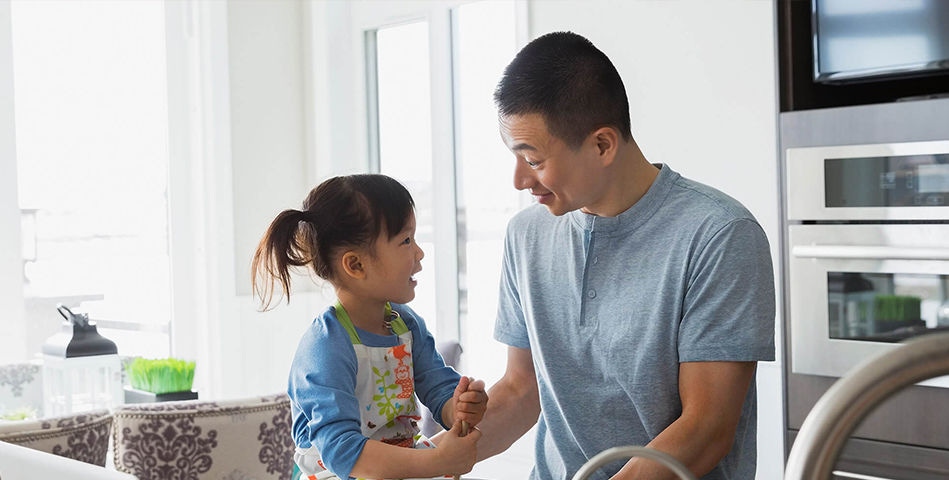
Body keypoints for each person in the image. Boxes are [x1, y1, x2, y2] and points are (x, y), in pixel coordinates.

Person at [474, 31, 775, 480]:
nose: (519, 180)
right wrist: (421, 462)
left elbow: (707, 428)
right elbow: (520, 391)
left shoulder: (719, 235)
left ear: (602, 145)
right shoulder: (526, 234)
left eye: (533, 160)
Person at [251, 174, 488, 480]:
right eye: (406, 241)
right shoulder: (325, 347)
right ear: (356, 265)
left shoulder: (406, 324)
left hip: (398, 463)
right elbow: (342, 452)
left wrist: (461, 406)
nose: (419, 253)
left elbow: (440, 389)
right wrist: (438, 461)